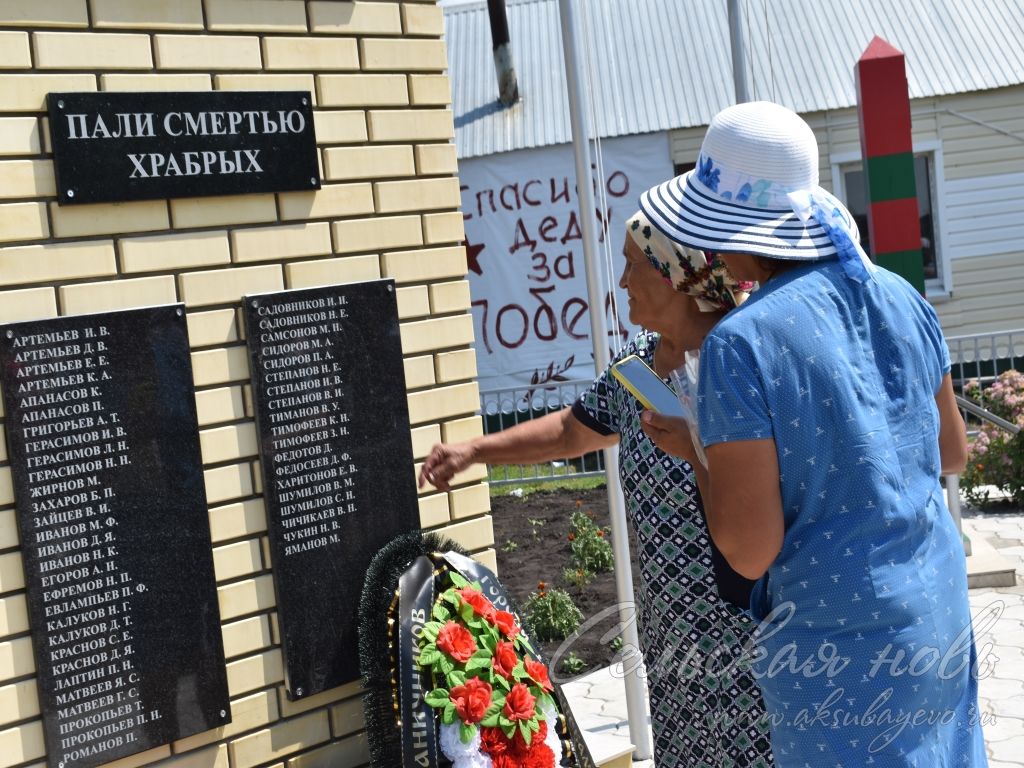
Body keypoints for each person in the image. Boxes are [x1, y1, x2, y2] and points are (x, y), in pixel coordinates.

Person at [638, 101, 987, 766]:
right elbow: (951, 450)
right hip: (935, 610)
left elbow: (747, 548)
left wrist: (697, 451)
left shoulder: (740, 343)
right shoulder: (899, 294)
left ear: (730, 227)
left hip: (838, 645)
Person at [419, 214, 774, 768]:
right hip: (672, 634)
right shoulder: (640, 360)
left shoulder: (742, 353)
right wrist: (474, 450)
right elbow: (573, 428)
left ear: (674, 275)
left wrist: (697, 443)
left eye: (634, 265)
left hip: (745, 630)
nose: (623, 281)